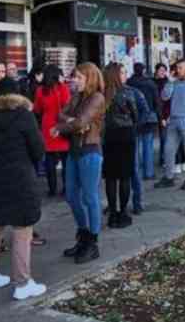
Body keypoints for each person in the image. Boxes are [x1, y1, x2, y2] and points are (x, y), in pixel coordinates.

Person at [0, 79, 46, 299]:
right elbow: (38, 148)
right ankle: (22, 284)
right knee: (22, 229)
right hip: (19, 178)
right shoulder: (24, 115)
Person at [53, 62, 106, 264]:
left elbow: (80, 123)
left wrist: (69, 124)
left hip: (90, 151)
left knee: (90, 197)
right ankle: (83, 236)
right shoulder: (77, 96)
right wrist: (71, 122)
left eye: (78, 77)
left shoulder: (97, 97)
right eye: (74, 76)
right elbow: (64, 115)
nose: (74, 80)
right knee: (71, 196)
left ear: (90, 78)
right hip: (74, 151)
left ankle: (92, 243)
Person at [102, 63, 147, 229]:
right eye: (122, 72)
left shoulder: (102, 93)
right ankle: (122, 213)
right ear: (115, 75)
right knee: (125, 176)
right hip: (126, 134)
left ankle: (113, 212)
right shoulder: (128, 92)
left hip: (108, 136)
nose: (125, 74)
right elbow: (136, 115)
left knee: (111, 177)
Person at [155, 59, 185, 190]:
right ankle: (169, 177)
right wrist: (169, 81)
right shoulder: (174, 82)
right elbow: (164, 96)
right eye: (177, 68)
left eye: (180, 68)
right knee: (168, 150)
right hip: (173, 120)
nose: (177, 70)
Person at [32, 65, 71, 197]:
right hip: (62, 125)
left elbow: (37, 109)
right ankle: (66, 187)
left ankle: (52, 188)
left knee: (49, 159)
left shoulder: (40, 90)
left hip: (47, 125)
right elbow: (68, 105)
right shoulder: (63, 88)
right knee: (66, 160)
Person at [128, 63, 159, 186]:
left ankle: (136, 173)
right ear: (144, 70)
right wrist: (159, 115)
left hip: (134, 118)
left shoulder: (129, 83)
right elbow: (156, 101)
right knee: (148, 146)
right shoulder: (150, 83)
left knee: (135, 147)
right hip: (148, 117)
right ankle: (149, 172)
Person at [153, 63, 169, 169]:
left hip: (167, 112)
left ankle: (165, 158)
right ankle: (163, 158)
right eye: (161, 70)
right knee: (163, 137)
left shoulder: (168, 82)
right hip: (158, 112)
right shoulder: (152, 82)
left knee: (166, 137)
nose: (162, 72)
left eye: (164, 70)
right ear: (156, 71)